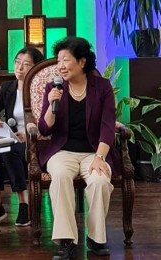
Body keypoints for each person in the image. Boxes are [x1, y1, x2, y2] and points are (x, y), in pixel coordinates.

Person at [38, 37, 118, 259]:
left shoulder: (102, 88)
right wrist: (52, 106)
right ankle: (66, 241)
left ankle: (96, 238)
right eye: (59, 60)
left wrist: (100, 158)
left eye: (66, 60)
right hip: (62, 151)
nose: (61, 65)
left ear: (82, 62)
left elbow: (107, 126)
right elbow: (44, 129)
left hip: (94, 151)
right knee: (61, 176)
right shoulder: (53, 88)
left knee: (100, 181)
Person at [0, 47, 44, 226]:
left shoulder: (40, 90)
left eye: (26, 65)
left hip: (35, 139)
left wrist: (27, 135)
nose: (20, 68)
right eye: (17, 62)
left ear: (35, 68)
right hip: (13, 137)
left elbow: (49, 122)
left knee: (7, 150)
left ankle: (24, 203)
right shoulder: (7, 87)